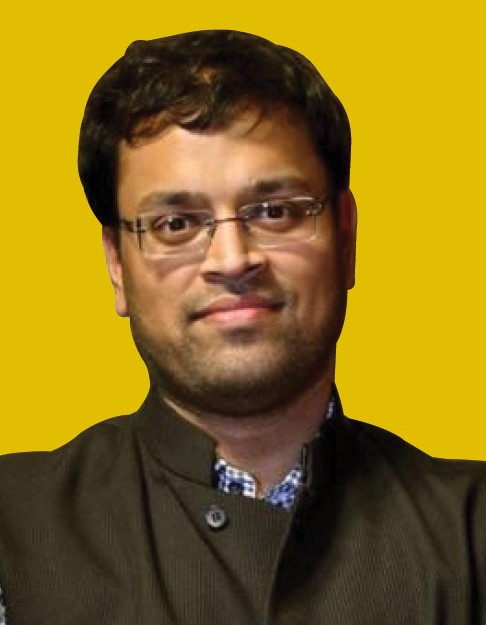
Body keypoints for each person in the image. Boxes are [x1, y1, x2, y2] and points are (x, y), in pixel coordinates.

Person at [0, 29, 484, 625]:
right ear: (117, 266)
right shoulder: (12, 529)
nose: (232, 260)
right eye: (176, 223)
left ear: (346, 236)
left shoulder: (474, 534)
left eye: (275, 211)